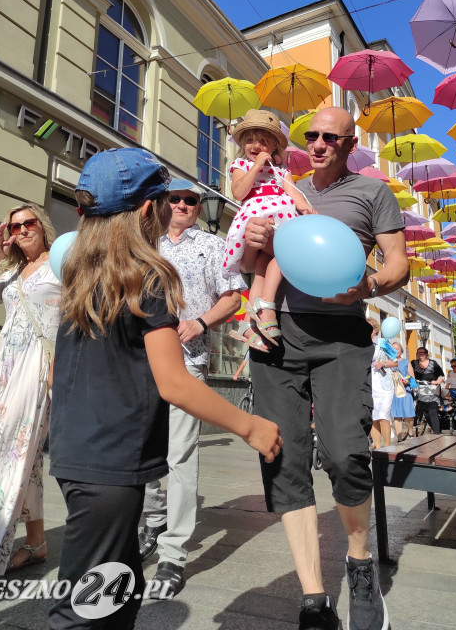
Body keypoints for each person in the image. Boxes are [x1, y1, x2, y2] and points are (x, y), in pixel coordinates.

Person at [48, 148, 281, 630]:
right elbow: (174, 383)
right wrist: (250, 425)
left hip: (77, 455)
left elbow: (59, 372)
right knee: (84, 611)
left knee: (117, 593)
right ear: (145, 210)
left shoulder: (78, 274)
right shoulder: (147, 277)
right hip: (112, 467)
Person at [241, 107, 409, 630]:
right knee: (283, 458)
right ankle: (314, 596)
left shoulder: (372, 193)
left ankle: (359, 565)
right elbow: (253, 263)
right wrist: (250, 246)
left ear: (350, 142)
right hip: (276, 335)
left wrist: (370, 285)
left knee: (344, 454)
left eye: (329, 137)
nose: (317, 143)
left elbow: (400, 264)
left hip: (340, 336)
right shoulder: (279, 185)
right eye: (310, 135)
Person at [138, 181, 246, 598]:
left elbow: (233, 297)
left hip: (188, 363)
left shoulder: (212, 246)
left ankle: (173, 552)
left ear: (199, 207)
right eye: (175, 199)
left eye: (191, 201)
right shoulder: (146, 244)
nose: (182, 205)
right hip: (141, 362)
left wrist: (200, 323)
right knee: (139, 448)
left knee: (179, 455)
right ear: (164, 203)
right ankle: (151, 520)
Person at [0, 203, 60, 582]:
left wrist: (58, 365)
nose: (21, 230)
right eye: (14, 226)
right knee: (26, 456)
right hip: (6, 372)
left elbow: (76, 315)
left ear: (42, 224)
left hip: (38, 369)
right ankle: (36, 544)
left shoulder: (62, 262)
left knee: (6, 451)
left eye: (27, 223)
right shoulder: (14, 270)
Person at [224, 109, 312, 350]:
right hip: (256, 215)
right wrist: (256, 166)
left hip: (282, 216)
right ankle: (267, 306)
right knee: (284, 254)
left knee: (265, 266)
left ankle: (250, 321)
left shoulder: (281, 170)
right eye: (250, 139)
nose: (256, 145)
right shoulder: (241, 164)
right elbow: (239, 192)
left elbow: (293, 192)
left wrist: (306, 208)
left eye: (263, 140)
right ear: (242, 143)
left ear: (275, 146)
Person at [369, 320, 395, 450]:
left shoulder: (383, 343)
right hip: (369, 383)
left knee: (384, 415)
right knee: (374, 416)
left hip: (384, 383)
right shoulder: (361, 344)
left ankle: (388, 447)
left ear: (375, 330)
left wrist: (383, 363)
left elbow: (395, 362)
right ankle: (378, 448)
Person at [411, 347, 446, 435]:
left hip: (432, 391)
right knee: (425, 413)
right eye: (419, 353)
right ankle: (414, 431)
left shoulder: (433, 363)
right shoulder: (413, 363)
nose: (420, 355)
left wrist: (437, 381)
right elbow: (408, 373)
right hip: (419, 391)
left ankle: (437, 433)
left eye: (422, 353)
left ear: (426, 354)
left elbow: (441, 375)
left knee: (432, 410)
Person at [390, 342, 416, 442]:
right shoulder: (388, 362)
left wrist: (407, 380)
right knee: (396, 415)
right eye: (393, 349)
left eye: (397, 349)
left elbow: (412, 376)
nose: (395, 351)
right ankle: (399, 438)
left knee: (408, 414)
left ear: (401, 351)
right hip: (394, 391)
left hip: (405, 390)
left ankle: (410, 431)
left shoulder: (406, 362)